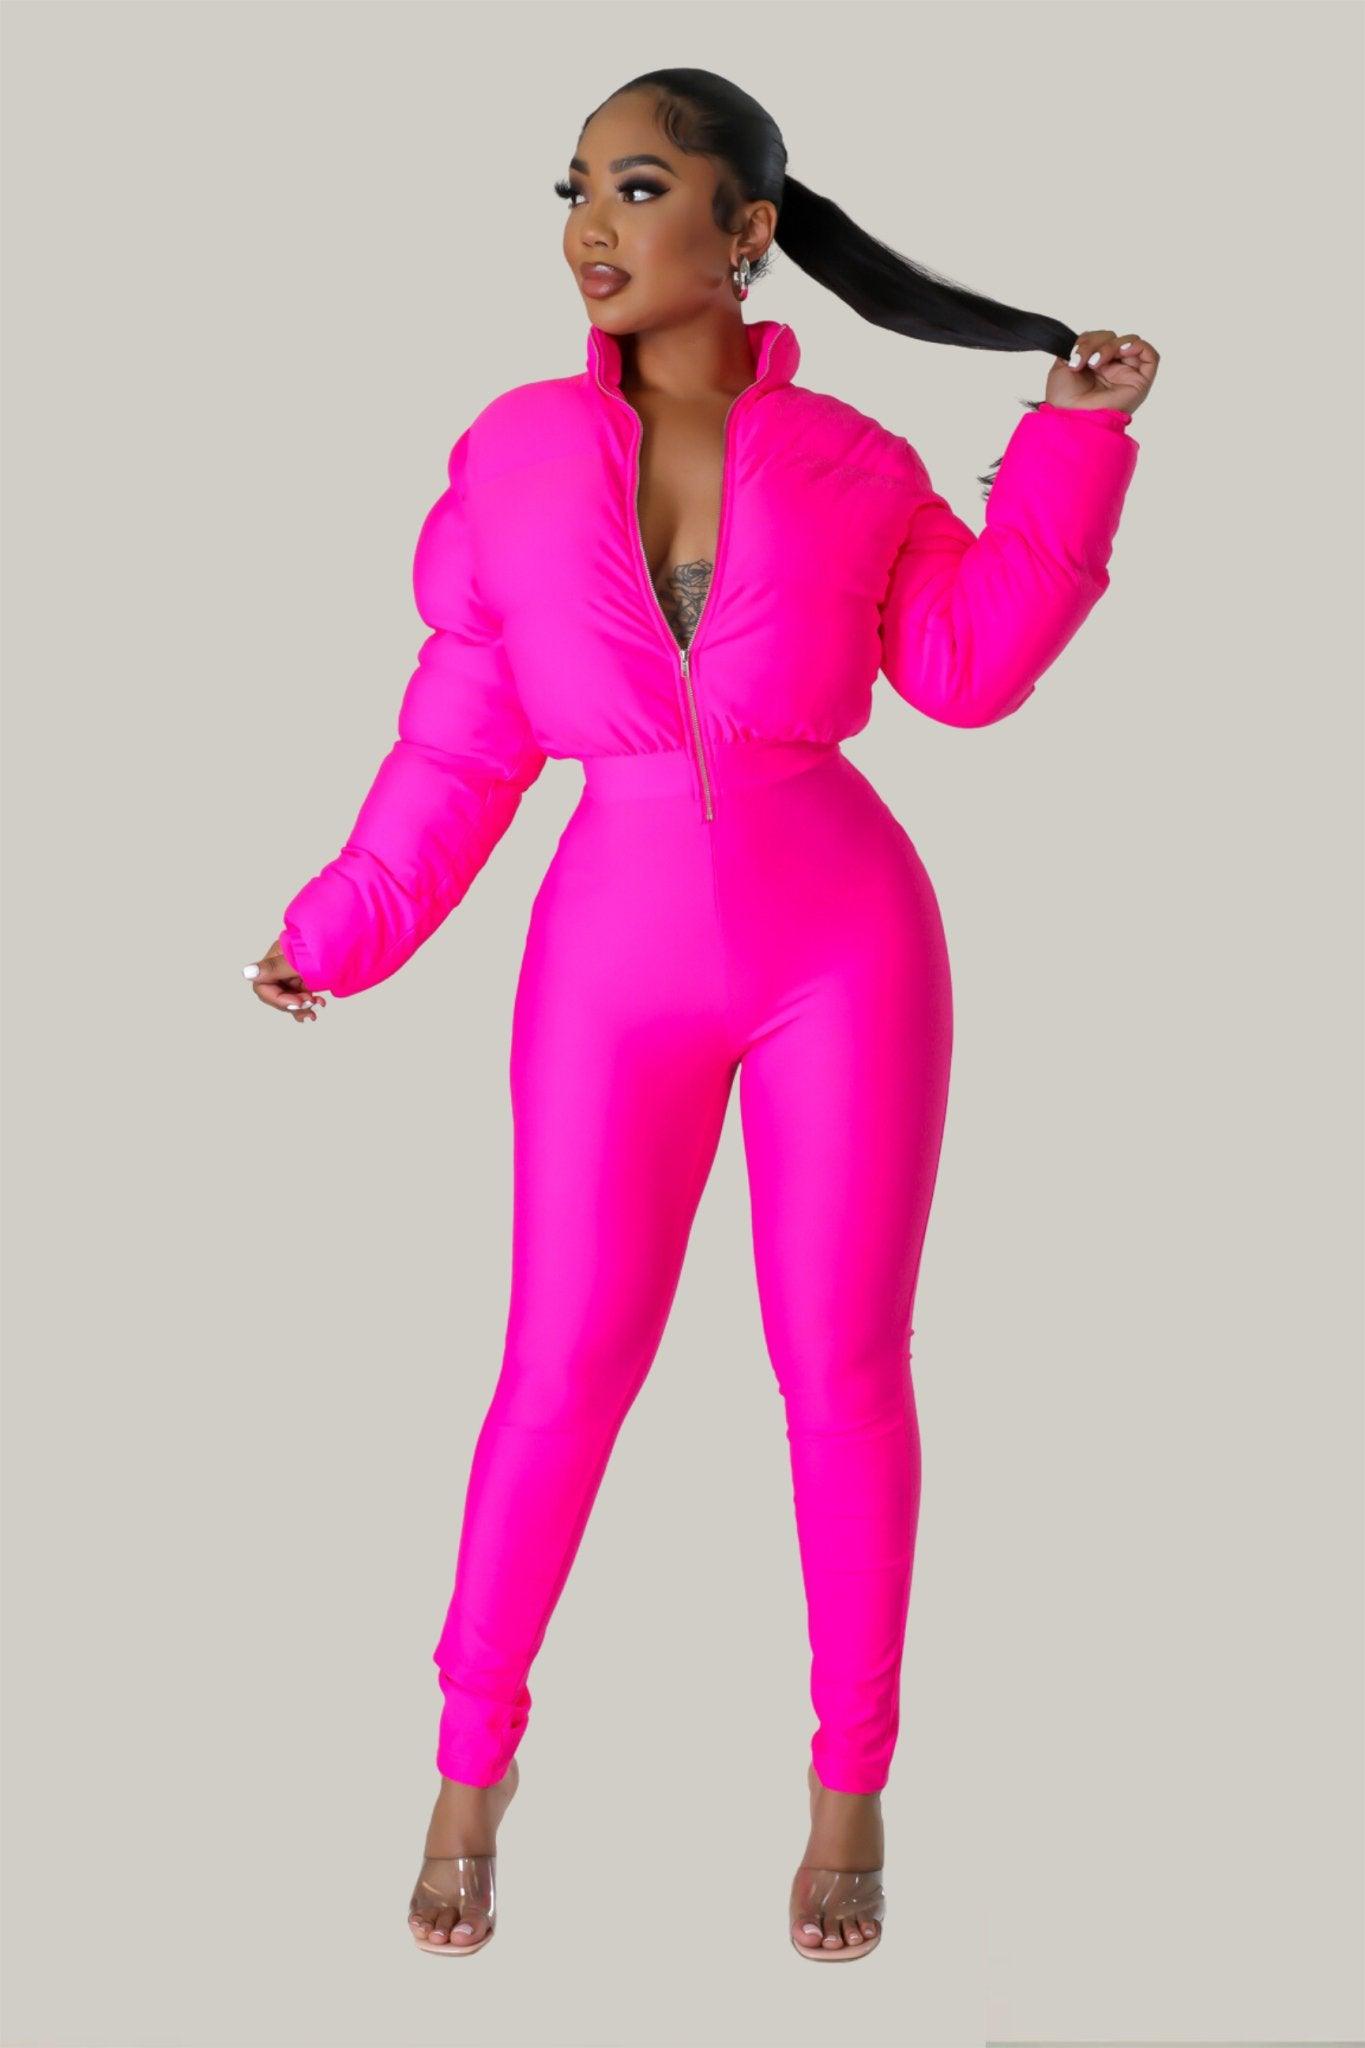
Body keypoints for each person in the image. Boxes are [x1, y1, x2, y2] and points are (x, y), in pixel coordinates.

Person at [244, 68, 1156, 1962]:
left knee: (843, 1371)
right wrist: (342, 926)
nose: (593, 226)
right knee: (559, 1365)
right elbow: (461, 743)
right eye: (575, 188)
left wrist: (1070, 447)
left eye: (640, 188)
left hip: (849, 949)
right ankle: (468, 1770)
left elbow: (965, 668)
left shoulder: (852, 462)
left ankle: (849, 1786)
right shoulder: (508, 455)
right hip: (609, 960)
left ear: (747, 232)